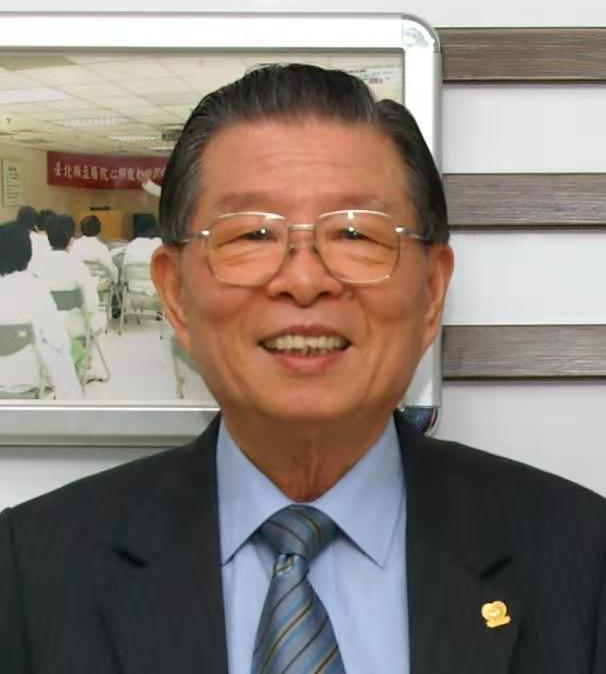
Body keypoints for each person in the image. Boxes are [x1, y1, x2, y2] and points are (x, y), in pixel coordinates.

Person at [1, 64, 605, 674]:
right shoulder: (27, 571)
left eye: (355, 233)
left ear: (431, 293)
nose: (305, 279)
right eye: (252, 234)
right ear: (175, 295)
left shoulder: (583, 557)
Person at [0, 221, 82, 399]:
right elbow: (57, 342)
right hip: (24, 381)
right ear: (27, 251)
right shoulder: (36, 289)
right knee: (59, 344)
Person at [70, 214, 118, 283]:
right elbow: (111, 269)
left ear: (81, 229)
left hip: (79, 284)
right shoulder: (101, 247)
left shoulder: (75, 244)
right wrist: (116, 282)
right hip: (100, 286)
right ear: (99, 229)